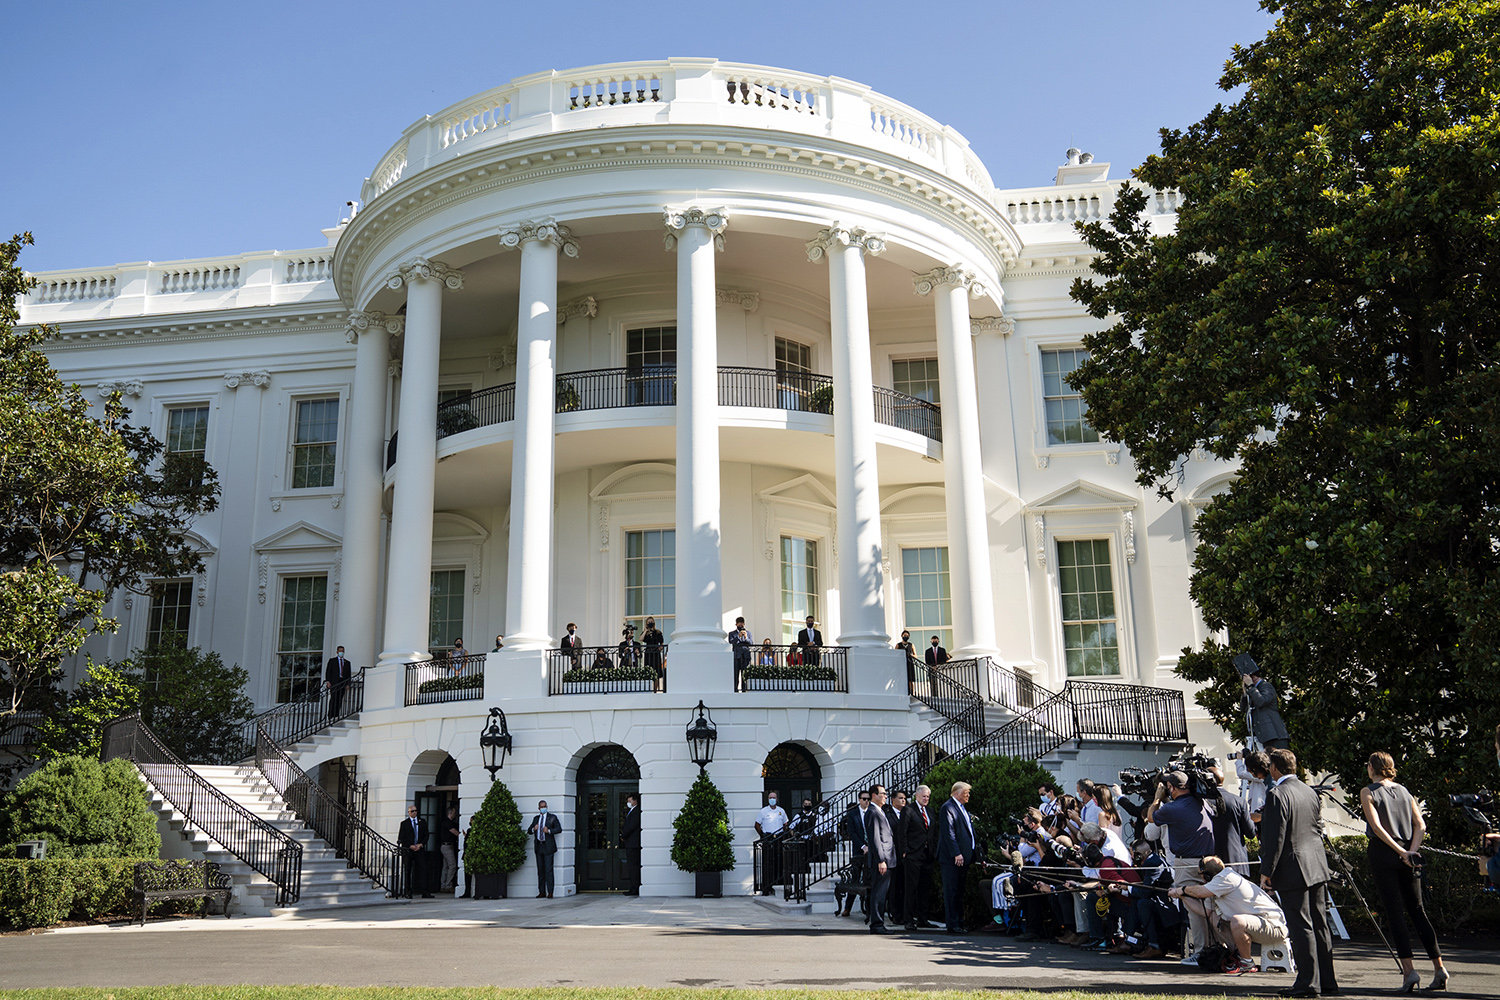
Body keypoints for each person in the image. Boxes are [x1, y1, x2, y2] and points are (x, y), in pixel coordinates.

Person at [1359, 751, 1447, 992]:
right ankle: (1439, 967)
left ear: (1371, 768)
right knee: (1418, 910)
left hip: (1383, 853)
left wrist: (1398, 850)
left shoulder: (1368, 791)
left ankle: (1409, 972)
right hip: (1409, 853)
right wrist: (1410, 851)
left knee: (1394, 912)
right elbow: (1420, 824)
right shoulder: (1405, 791)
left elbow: (1376, 827)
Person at [1260, 748, 1338, 999]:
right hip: (1316, 865)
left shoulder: (1276, 794)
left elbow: (1274, 837)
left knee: (1301, 925)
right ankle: (1326, 980)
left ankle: (1307, 982)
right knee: (1320, 924)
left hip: (1293, 868)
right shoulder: (1309, 791)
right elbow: (1316, 828)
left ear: (1274, 768)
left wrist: (1266, 871)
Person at [1173, 855, 1287, 975]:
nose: (1200, 877)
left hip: (1274, 927)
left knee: (1237, 921)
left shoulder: (1226, 878)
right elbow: (1204, 912)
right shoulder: (1214, 885)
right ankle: (1236, 954)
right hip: (1260, 926)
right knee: (1214, 917)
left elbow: (1199, 892)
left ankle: (1247, 963)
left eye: (1200, 874)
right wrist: (1181, 896)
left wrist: (1183, 889)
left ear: (1207, 875)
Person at [1145, 770, 1216, 963]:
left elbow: (1151, 818)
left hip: (1186, 862)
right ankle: (1215, 947)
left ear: (1171, 788)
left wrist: (1157, 799)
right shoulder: (1202, 802)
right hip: (1208, 861)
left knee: (1194, 909)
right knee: (1210, 906)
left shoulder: (1172, 808)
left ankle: (1201, 951)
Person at [937, 780, 976, 934]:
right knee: (951, 891)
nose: (968, 795)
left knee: (959, 891)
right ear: (957, 792)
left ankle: (959, 922)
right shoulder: (948, 807)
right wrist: (956, 853)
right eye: (966, 792)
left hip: (963, 858)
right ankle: (953, 924)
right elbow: (949, 833)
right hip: (951, 859)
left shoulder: (962, 808)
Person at [899, 784, 936, 931]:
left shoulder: (931, 811)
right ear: (917, 796)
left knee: (924, 888)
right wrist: (904, 851)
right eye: (923, 796)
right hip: (913, 854)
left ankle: (923, 919)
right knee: (911, 888)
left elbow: (934, 832)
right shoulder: (908, 810)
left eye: (928, 796)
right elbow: (902, 832)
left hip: (928, 855)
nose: (926, 799)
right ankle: (908, 919)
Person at [863, 784, 899, 933]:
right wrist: (881, 860)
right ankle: (877, 924)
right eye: (883, 793)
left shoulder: (879, 811)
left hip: (887, 858)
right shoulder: (872, 812)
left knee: (882, 893)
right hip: (882, 860)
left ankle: (878, 923)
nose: (885, 796)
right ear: (874, 795)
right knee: (878, 893)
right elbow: (875, 839)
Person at [1240, 664, 1290, 750]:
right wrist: (1245, 693)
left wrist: (1251, 686)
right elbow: (1243, 708)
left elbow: (1262, 701)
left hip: (1275, 734)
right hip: (1265, 736)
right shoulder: (1252, 691)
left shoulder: (1266, 686)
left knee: (1278, 761)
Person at [838, 792, 872, 916]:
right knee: (855, 878)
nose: (866, 801)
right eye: (864, 799)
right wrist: (863, 846)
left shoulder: (872, 812)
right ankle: (848, 907)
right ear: (859, 800)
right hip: (859, 849)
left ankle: (870, 908)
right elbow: (852, 832)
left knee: (870, 879)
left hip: (872, 849)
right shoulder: (853, 814)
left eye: (868, 799)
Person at [754, 791, 789, 895]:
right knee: (767, 863)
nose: (772, 799)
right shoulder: (763, 811)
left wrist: (784, 834)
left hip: (778, 838)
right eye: (770, 797)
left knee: (779, 863)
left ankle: (779, 885)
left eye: (774, 797)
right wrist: (763, 836)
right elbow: (757, 825)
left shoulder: (781, 811)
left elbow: (785, 824)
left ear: (777, 799)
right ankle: (766, 887)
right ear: (768, 799)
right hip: (768, 839)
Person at [525, 800, 563, 898]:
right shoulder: (536, 819)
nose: (543, 808)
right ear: (539, 808)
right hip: (539, 846)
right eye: (541, 807)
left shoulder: (552, 817)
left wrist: (549, 831)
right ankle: (542, 892)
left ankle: (550, 892)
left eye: (545, 806)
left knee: (548, 870)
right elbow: (529, 831)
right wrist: (534, 829)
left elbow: (559, 829)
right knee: (540, 871)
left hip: (548, 847)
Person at [397, 804, 433, 898]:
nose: (414, 813)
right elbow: (401, 838)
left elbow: (426, 835)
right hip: (409, 851)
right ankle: (408, 891)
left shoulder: (422, 822)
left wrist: (420, 845)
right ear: (409, 813)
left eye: (415, 811)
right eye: (412, 811)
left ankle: (424, 891)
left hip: (419, 849)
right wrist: (410, 846)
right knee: (408, 870)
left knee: (423, 869)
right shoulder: (404, 823)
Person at [620, 793, 642, 896]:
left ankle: (635, 888)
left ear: (635, 801)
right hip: (631, 844)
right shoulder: (632, 811)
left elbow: (631, 826)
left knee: (633, 867)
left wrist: (623, 836)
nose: (628, 803)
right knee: (631, 866)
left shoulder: (636, 812)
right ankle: (633, 887)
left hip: (633, 844)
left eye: (629, 801)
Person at [324, 645, 352, 719]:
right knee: (333, 698)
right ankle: (330, 715)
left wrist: (348, 684)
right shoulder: (332, 661)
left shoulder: (347, 663)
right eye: (340, 651)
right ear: (337, 652)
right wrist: (328, 681)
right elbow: (328, 671)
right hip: (334, 682)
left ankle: (336, 715)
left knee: (339, 699)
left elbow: (348, 675)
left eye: (342, 651)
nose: (341, 652)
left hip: (342, 682)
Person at [439, 805, 461, 893]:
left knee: (446, 867)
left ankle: (443, 885)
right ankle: (448, 885)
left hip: (445, 846)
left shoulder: (448, 822)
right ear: (451, 812)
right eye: (454, 812)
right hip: (447, 846)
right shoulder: (447, 822)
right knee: (452, 866)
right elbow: (455, 833)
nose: (455, 814)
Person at [729, 617, 753, 690]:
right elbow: (731, 642)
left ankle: (744, 689)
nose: (741, 625)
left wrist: (746, 638)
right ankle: (735, 689)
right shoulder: (732, 633)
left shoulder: (748, 633)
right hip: (737, 656)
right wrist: (738, 637)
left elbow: (751, 643)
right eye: (739, 623)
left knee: (744, 674)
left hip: (745, 656)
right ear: (736, 624)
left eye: (742, 623)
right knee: (736, 674)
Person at [642, 617, 665, 689]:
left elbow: (661, 642)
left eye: (651, 621)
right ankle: (648, 689)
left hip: (656, 654)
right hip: (648, 654)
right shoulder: (646, 633)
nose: (650, 623)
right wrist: (645, 631)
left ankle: (655, 690)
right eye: (648, 622)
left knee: (656, 673)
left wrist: (660, 647)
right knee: (648, 672)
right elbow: (641, 639)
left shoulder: (658, 632)